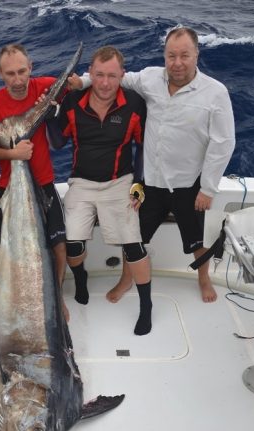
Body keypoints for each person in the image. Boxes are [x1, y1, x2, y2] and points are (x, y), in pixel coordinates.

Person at [71, 27, 236, 303]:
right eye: (171, 55)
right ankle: (126, 279)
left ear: (197, 54)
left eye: (185, 55)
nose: (178, 62)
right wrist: (83, 82)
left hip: (189, 184)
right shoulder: (149, 78)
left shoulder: (215, 93)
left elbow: (223, 143)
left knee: (198, 239)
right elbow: (116, 77)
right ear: (164, 56)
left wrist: (207, 188)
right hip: (149, 183)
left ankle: (203, 278)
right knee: (133, 238)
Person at [51, 45, 152, 335]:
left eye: (111, 75)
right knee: (70, 243)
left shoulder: (134, 104)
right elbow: (58, 143)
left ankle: (146, 307)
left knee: (133, 244)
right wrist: (49, 117)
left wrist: (138, 184)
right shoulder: (73, 101)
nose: (105, 83)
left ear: (122, 74)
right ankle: (80, 281)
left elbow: (143, 147)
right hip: (81, 182)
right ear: (90, 74)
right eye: (99, 75)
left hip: (120, 182)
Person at [0, 44, 69, 320]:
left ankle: (56, 297)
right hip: (10, 184)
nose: (18, 80)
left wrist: (56, 99)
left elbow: (74, 85)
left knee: (59, 243)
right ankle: (3, 295)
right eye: (10, 74)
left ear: (31, 67)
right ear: (0, 74)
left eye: (21, 71)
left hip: (42, 182)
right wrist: (13, 153)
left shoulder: (46, 87)